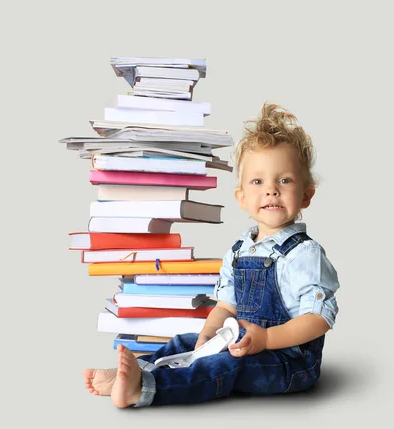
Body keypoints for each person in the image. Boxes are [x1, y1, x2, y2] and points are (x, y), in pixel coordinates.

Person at [83, 102, 340, 408]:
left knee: (225, 367)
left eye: (284, 180)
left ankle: (147, 388)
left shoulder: (304, 254)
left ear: (306, 194)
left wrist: (267, 340)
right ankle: (142, 369)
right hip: (244, 341)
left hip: (288, 360)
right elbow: (225, 306)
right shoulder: (239, 249)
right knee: (186, 342)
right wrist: (208, 334)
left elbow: (318, 319)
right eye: (258, 181)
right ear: (242, 198)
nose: (271, 190)